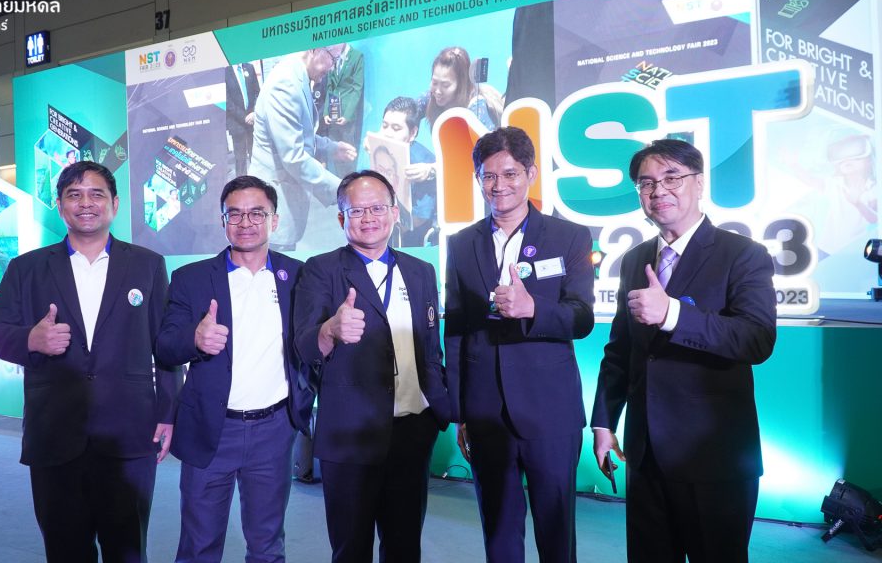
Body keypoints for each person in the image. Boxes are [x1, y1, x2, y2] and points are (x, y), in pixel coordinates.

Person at [0, 161, 182, 563]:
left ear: (115, 204)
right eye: (74, 195)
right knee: (66, 550)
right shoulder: (27, 268)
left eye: (96, 194)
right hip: (55, 434)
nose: (85, 203)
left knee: (128, 550)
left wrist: (168, 412)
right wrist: (31, 339)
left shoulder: (147, 264)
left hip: (128, 435)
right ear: (60, 206)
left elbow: (165, 345)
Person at [591, 139, 777, 562]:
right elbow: (620, 350)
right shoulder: (634, 260)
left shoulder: (743, 254)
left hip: (713, 456)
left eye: (672, 177)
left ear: (699, 184)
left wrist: (672, 314)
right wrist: (604, 423)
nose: (658, 190)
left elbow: (756, 339)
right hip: (645, 454)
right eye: (646, 183)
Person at [444, 126, 595, 563]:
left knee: (556, 529)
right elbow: (457, 329)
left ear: (530, 173)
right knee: (499, 528)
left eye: (510, 174)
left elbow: (582, 317)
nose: (499, 185)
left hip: (550, 409)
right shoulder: (462, 244)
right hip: (485, 410)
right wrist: (460, 411)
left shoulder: (569, 237)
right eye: (488, 176)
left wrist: (533, 309)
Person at [293, 170, 451, 562]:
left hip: (412, 431)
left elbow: (430, 347)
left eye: (377, 208)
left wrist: (440, 409)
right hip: (350, 434)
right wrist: (329, 330)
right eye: (357, 210)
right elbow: (304, 345)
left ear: (395, 213)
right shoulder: (320, 269)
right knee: (351, 550)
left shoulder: (421, 271)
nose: (368, 218)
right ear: (341, 218)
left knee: (404, 548)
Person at [156, 175, 314, 562]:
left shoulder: (299, 277)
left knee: (267, 545)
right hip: (212, 428)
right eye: (235, 214)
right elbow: (165, 347)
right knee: (199, 545)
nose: (246, 222)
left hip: (274, 429)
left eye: (257, 213)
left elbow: (312, 343)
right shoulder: (191, 279)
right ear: (223, 220)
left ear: (274, 220)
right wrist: (194, 339)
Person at [249, 48, 358, 251]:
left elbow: (299, 132)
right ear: (315, 49)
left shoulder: (298, 75)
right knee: (275, 265)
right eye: (333, 59)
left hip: (281, 199)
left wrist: (330, 148)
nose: (332, 67)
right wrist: (343, 191)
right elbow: (294, 157)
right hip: (273, 203)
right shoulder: (285, 83)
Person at [374, 96, 437, 246]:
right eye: (384, 126)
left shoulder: (423, 163)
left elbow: (421, 217)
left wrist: (386, 231)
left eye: (396, 128)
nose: (387, 133)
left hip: (415, 240)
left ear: (413, 133)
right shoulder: (380, 150)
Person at [424, 46, 503, 132]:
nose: (438, 91)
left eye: (445, 85)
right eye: (434, 83)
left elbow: (492, 140)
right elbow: (415, 107)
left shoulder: (478, 108)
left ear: (461, 85)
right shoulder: (434, 95)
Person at [316, 43, 365, 178]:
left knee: (348, 154)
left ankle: (350, 183)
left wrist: (347, 115)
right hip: (333, 113)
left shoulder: (357, 56)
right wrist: (326, 112)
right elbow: (330, 87)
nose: (332, 46)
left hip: (347, 117)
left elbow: (357, 88)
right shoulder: (332, 56)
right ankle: (339, 183)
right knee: (336, 152)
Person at [225, 62, 260, 176]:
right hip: (237, 123)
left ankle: (258, 181)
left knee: (256, 157)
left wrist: (253, 113)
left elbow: (257, 93)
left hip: (252, 121)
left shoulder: (249, 67)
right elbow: (227, 102)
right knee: (240, 160)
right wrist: (244, 117)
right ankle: (242, 183)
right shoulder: (225, 72)